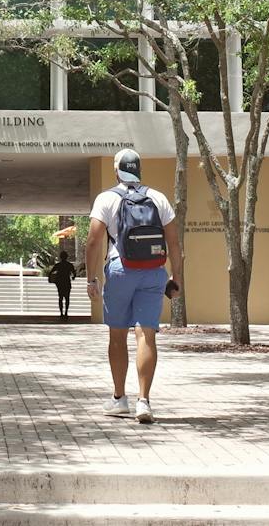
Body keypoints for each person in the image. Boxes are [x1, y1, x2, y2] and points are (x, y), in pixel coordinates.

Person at [84, 148, 183, 423]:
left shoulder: (107, 198)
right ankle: (144, 402)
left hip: (119, 270)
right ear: (139, 170)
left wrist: (91, 278)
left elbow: (93, 241)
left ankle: (119, 399)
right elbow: (174, 242)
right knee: (145, 335)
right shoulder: (158, 197)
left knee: (117, 336)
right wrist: (176, 276)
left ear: (117, 170)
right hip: (154, 272)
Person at [47, 251, 77, 319]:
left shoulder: (58, 265)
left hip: (60, 283)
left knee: (60, 298)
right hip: (66, 282)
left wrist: (50, 278)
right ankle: (66, 312)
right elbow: (74, 273)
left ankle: (61, 313)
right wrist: (73, 277)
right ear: (67, 257)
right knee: (67, 298)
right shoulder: (69, 265)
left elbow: (51, 272)